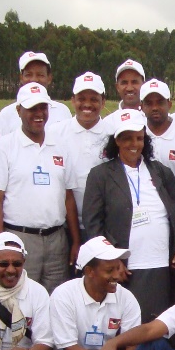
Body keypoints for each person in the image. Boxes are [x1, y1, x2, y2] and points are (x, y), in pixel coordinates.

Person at [82, 110, 175, 321]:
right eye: (127, 138)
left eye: (139, 138)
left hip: (160, 263)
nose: (134, 144)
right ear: (116, 141)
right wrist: (112, 260)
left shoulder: (161, 172)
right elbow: (93, 223)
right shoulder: (100, 175)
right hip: (125, 266)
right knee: (128, 322)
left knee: (158, 322)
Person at [0, 82, 79, 293]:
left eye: (42, 108)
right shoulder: (4, 146)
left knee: (54, 301)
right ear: (18, 110)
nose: (39, 114)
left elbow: (68, 197)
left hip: (56, 240)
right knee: (18, 299)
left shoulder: (61, 146)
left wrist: (75, 241)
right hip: (20, 238)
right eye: (32, 109)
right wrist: (1, 245)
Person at [49, 237, 142, 350]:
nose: (116, 276)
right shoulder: (64, 295)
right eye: (109, 270)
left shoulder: (126, 297)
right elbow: (70, 347)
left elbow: (133, 341)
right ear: (89, 272)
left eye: (117, 268)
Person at [54, 72, 115, 232]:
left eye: (94, 99)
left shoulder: (114, 135)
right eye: (81, 99)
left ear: (103, 102)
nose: (87, 105)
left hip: (104, 226)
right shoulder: (54, 133)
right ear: (72, 100)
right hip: (64, 225)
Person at [0, 51, 72, 136]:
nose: (34, 80)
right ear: (21, 77)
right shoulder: (6, 114)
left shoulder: (62, 111)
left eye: (40, 75)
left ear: (49, 78)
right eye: (29, 75)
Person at [140, 78, 175, 194]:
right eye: (149, 103)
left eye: (160, 102)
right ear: (141, 106)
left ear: (169, 104)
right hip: (145, 208)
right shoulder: (136, 137)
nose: (155, 107)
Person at [102, 58, 146, 128]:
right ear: (117, 87)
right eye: (124, 83)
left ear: (144, 85)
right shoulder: (107, 123)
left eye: (134, 82)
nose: (129, 88)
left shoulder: (154, 120)